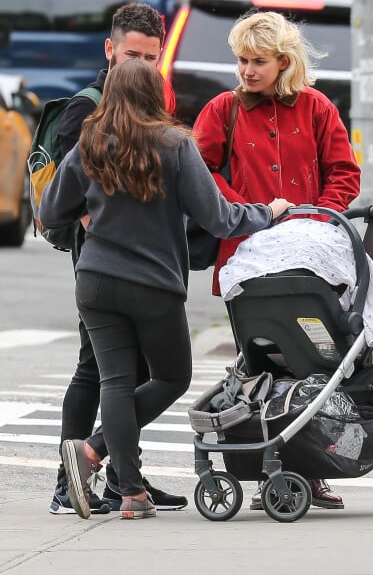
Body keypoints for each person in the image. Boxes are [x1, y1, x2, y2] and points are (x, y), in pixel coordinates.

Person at [39, 58, 293, 520]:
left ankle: (131, 492)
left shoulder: (89, 145)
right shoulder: (175, 145)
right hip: (153, 285)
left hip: (95, 281)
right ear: (157, 96)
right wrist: (268, 212)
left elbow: (50, 210)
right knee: (172, 377)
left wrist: (87, 214)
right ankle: (94, 452)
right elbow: (218, 217)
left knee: (114, 382)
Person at [193, 10, 361, 510]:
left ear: (283, 62)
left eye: (257, 61)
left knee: (314, 364)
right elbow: (198, 174)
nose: (246, 70)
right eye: (241, 60)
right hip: (249, 257)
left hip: (310, 260)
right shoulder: (224, 108)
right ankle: (271, 462)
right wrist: (247, 212)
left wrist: (318, 218)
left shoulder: (316, 108)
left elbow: (344, 174)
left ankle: (310, 466)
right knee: (263, 361)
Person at [50, 2, 183, 515]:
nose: (142, 67)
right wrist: (108, 227)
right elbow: (63, 198)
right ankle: (71, 478)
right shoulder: (87, 111)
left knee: (134, 370)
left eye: (152, 57)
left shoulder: (151, 106)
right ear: (110, 50)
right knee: (97, 370)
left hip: (134, 269)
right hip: (102, 266)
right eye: (133, 55)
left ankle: (126, 478)